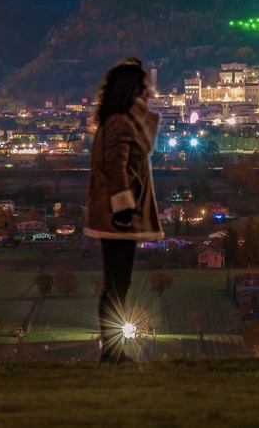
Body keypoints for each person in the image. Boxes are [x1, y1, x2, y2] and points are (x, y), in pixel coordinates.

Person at [84, 57, 163, 364]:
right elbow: (116, 168)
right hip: (118, 218)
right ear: (133, 89)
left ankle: (112, 350)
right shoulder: (120, 122)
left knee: (117, 283)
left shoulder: (118, 119)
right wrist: (123, 209)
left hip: (117, 215)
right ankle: (112, 351)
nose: (150, 93)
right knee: (118, 284)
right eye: (145, 87)